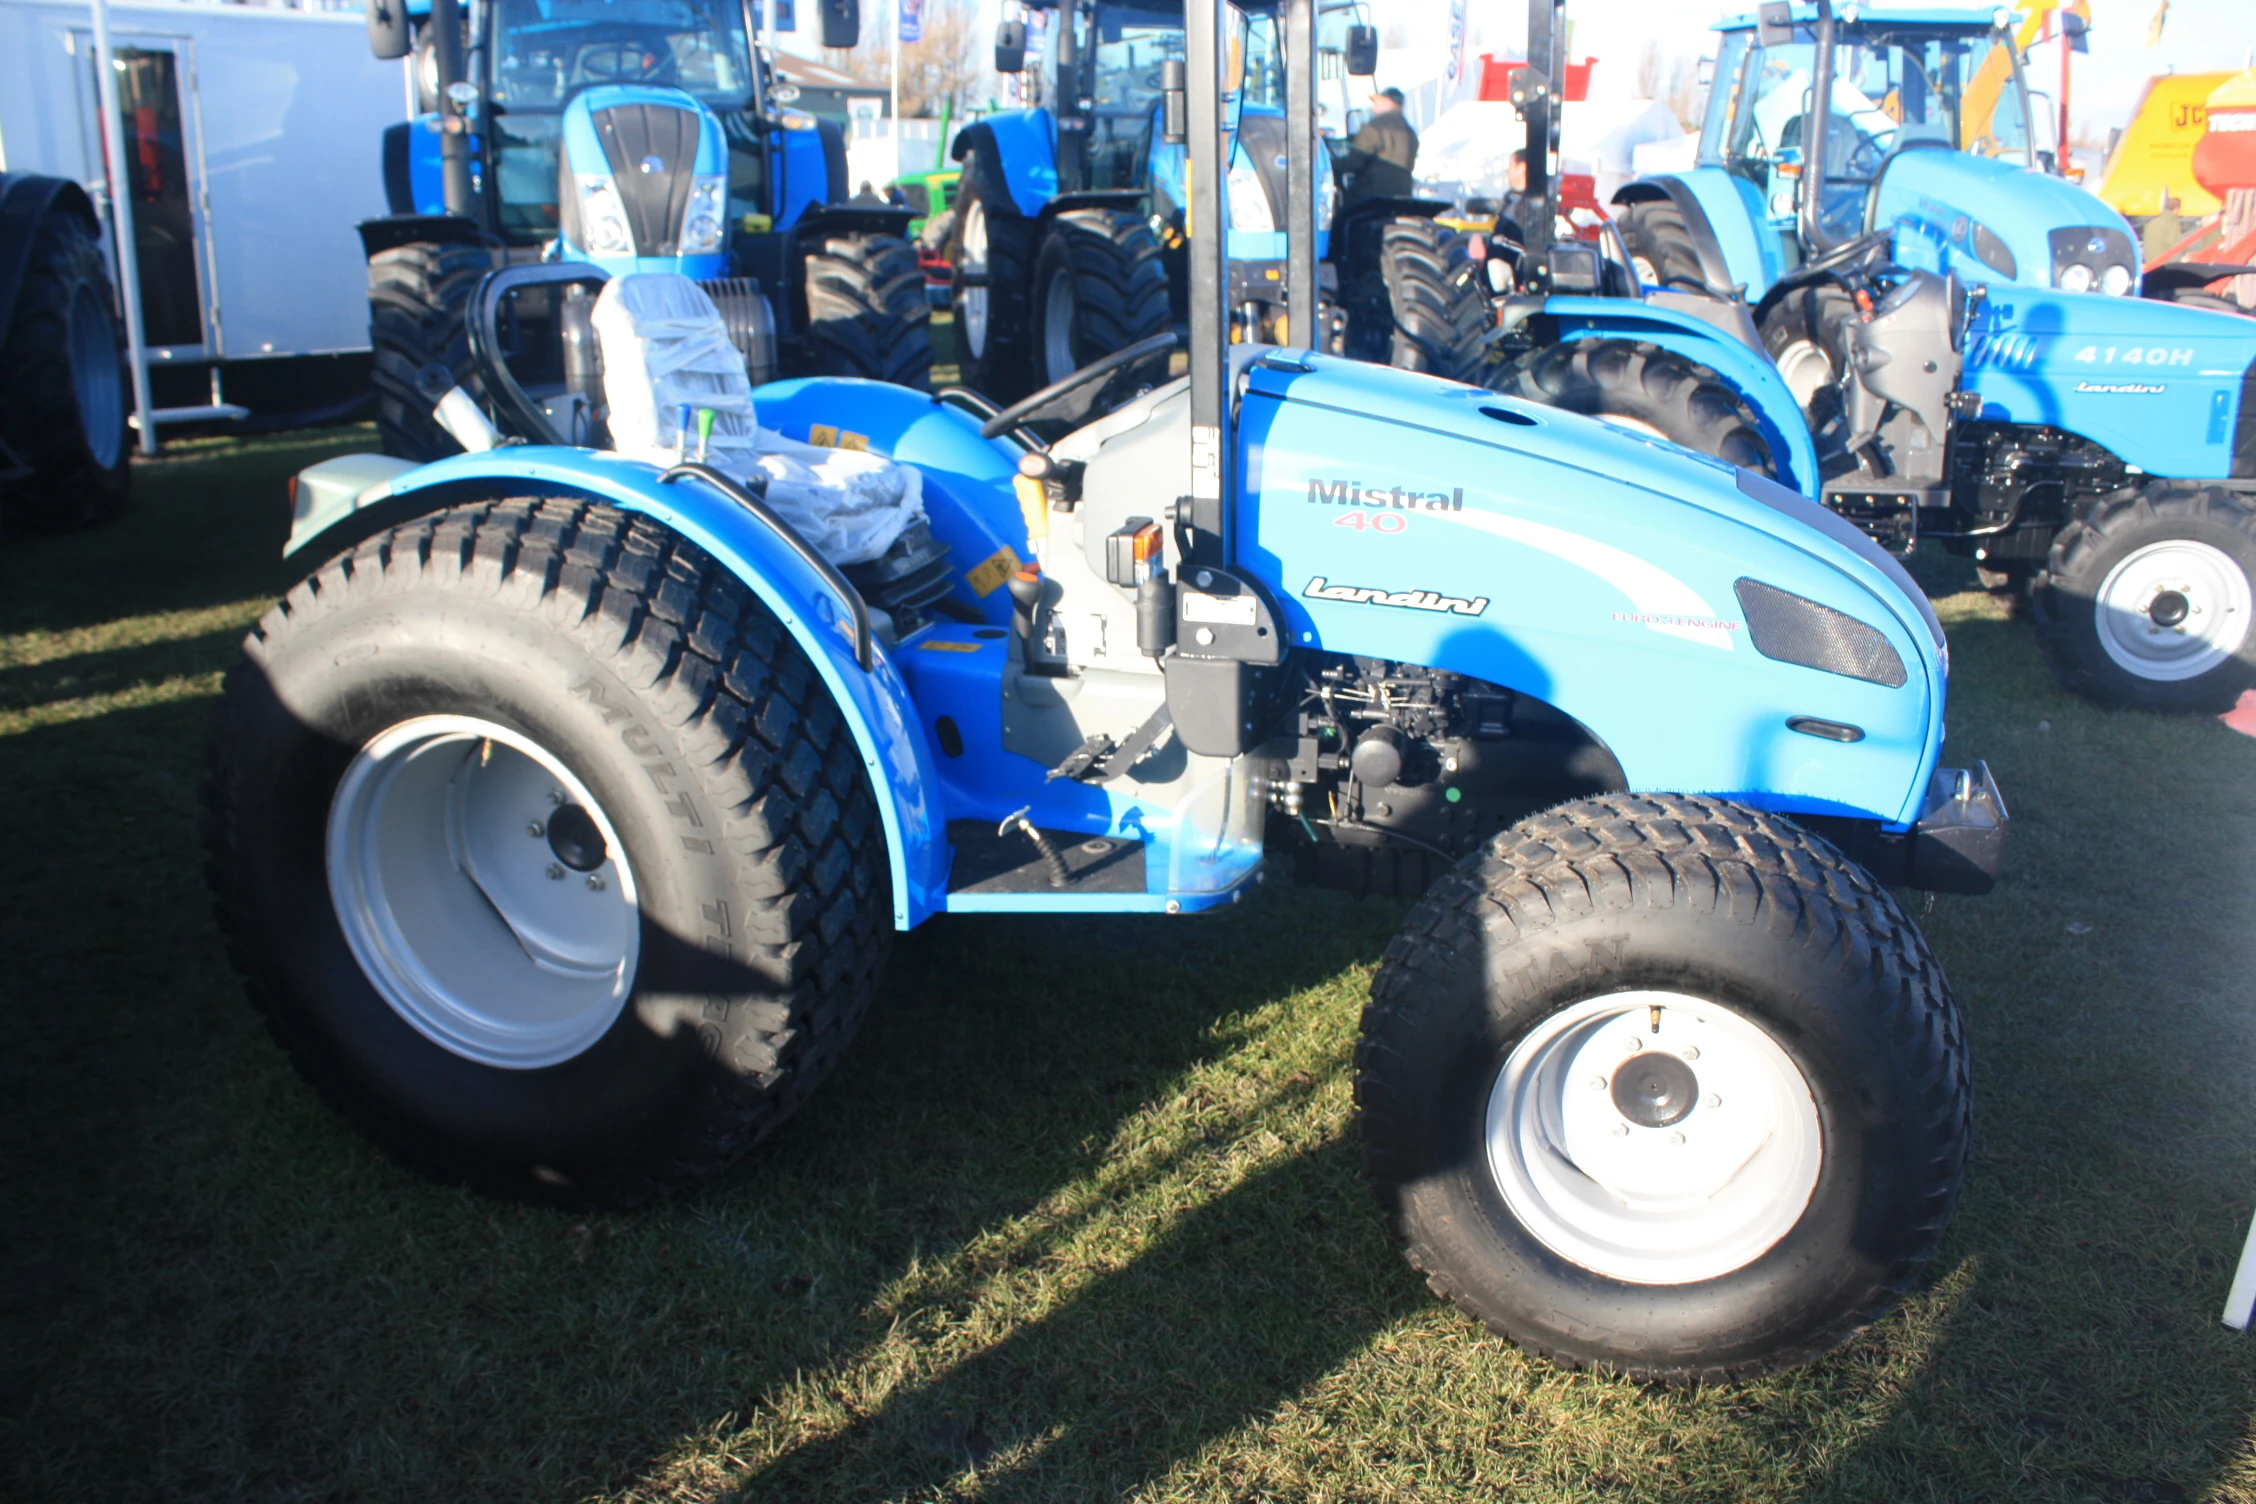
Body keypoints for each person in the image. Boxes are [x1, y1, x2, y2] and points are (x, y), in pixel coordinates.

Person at [1334, 85, 1418, 205]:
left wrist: (1332, 165)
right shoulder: (1410, 132)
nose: (1373, 106)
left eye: (1377, 102)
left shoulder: (1375, 126)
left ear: (1388, 102)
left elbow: (1355, 162)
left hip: (1372, 198)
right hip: (1403, 196)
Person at [1492, 148, 1531, 247]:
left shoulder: (1529, 206)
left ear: (1522, 167)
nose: (1507, 170)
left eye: (1511, 165)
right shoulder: (1509, 200)